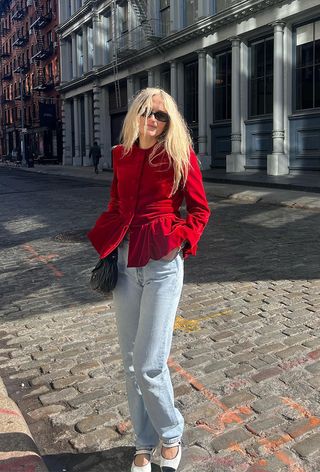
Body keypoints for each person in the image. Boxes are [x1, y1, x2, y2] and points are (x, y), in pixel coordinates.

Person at [88, 88, 210, 472]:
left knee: (149, 364)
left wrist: (180, 239)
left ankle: (171, 434)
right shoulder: (120, 155)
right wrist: (109, 240)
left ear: (168, 121)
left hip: (162, 264)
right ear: (134, 115)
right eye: (146, 112)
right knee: (129, 362)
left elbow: (200, 209)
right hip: (125, 263)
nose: (153, 120)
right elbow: (115, 203)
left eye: (161, 115)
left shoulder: (178, 155)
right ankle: (143, 442)